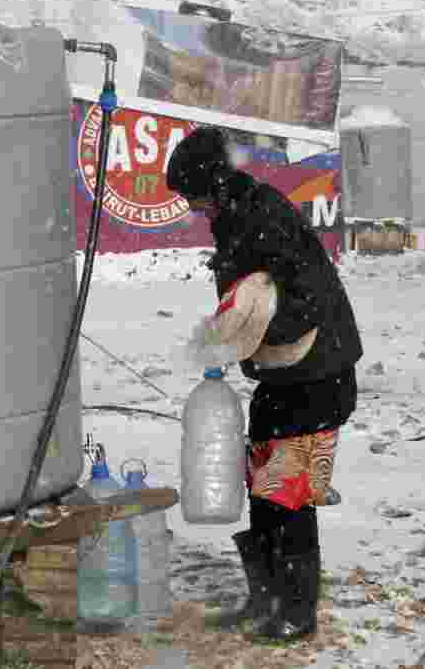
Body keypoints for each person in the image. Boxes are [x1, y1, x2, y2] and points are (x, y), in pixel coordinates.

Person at [165, 126, 363, 641]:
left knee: (289, 492)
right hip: (286, 375)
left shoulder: (263, 218)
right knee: (263, 485)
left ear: (213, 183)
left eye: (193, 196)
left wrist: (246, 335)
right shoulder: (237, 215)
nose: (192, 208)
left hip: (318, 372)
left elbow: (304, 302)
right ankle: (265, 598)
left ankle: (297, 611)